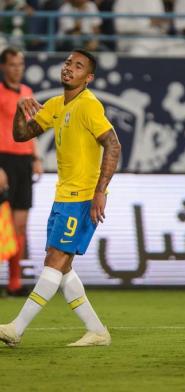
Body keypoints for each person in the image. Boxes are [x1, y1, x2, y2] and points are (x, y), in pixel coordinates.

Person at [0, 48, 121, 347]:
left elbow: (113, 145)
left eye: (78, 66)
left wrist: (100, 192)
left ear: (88, 78)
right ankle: (97, 331)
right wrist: (18, 110)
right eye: (68, 62)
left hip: (82, 198)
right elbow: (21, 135)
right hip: (63, 195)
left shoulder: (89, 106)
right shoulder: (56, 104)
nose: (69, 68)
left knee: (55, 260)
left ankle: (16, 328)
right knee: (62, 266)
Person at [0, 47, 43, 297]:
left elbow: (30, 128)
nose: (17, 68)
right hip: (3, 160)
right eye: (13, 64)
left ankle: (14, 282)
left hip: (24, 161)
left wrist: (35, 156)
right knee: (3, 225)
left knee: (20, 224)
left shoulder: (27, 92)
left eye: (20, 64)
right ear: (4, 66)